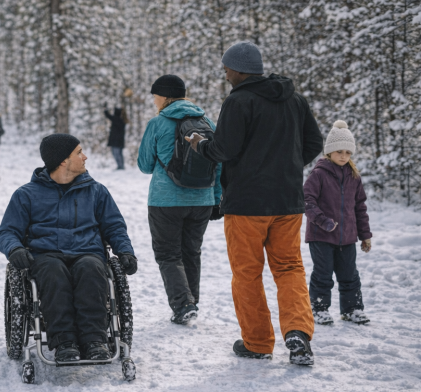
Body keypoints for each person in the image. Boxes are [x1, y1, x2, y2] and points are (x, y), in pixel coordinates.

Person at [187, 41, 324, 365]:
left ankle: (258, 342)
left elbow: (225, 149)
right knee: (290, 268)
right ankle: (298, 334)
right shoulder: (295, 99)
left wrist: (200, 145)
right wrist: (288, 167)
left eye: (226, 70)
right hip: (287, 202)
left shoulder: (239, 101)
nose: (225, 75)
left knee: (247, 274)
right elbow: (314, 143)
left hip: (247, 204)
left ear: (238, 70)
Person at [0, 134, 137, 362]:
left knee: (91, 269)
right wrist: (15, 250)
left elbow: (114, 226)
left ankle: (94, 340)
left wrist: (125, 252)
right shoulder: (26, 195)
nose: (85, 157)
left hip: (87, 252)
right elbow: (7, 231)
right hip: (45, 255)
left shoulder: (96, 191)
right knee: (53, 273)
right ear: (63, 160)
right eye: (79, 152)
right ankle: (64, 342)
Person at [137, 75, 222, 325]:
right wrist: (216, 199)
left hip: (166, 200)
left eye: (155, 96)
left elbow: (144, 165)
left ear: (164, 96)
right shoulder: (208, 122)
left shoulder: (158, 123)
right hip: (203, 200)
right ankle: (191, 300)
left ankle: (183, 304)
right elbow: (218, 165)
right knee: (191, 252)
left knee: (168, 254)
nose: (154, 101)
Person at [304, 120, 372, 326]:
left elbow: (360, 206)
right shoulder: (319, 174)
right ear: (329, 152)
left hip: (348, 237)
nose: (344, 156)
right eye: (339, 151)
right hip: (321, 236)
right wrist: (322, 221)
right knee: (323, 275)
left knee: (350, 275)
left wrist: (365, 235)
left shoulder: (354, 176)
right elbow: (307, 200)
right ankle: (319, 309)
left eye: (348, 153)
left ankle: (352, 309)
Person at [104, 105, 128, 170]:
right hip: (119, 141)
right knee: (119, 154)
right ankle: (121, 166)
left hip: (116, 141)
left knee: (116, 154)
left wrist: (105, 109)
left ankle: (120, 166)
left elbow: (108, 115)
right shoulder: (122, 120)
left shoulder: (116, 119)